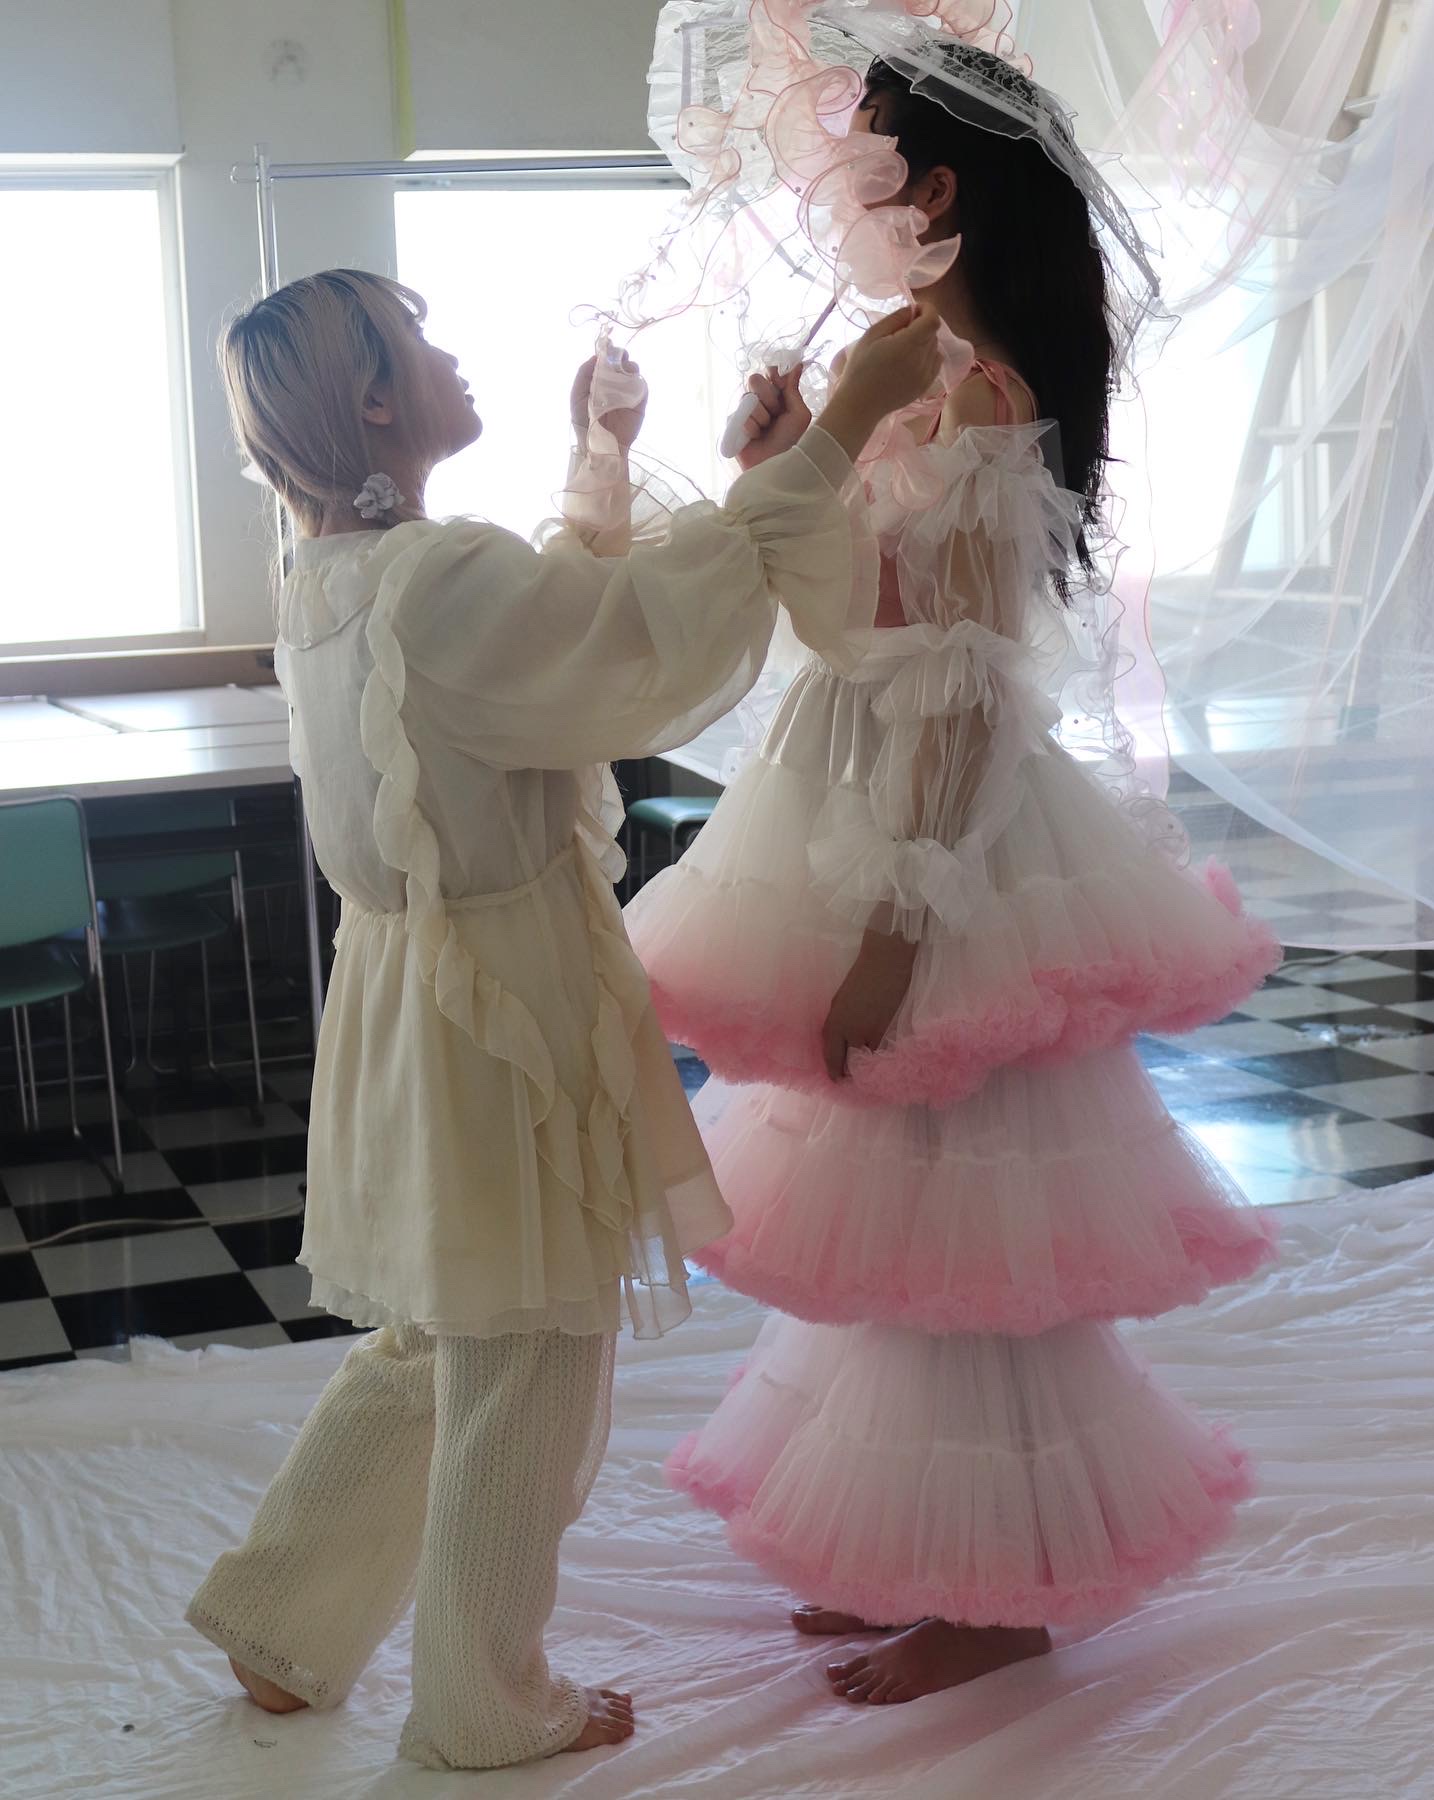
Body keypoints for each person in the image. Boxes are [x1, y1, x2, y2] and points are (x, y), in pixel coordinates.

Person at [183, 266, 942, 1766]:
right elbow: (631, 636)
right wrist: (840, 427)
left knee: (440, 1326)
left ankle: (284, 1621)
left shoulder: (332, 578)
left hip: (412, 990)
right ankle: (482, 1698)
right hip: (502, 1005)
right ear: (376, 400)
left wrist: (604, 453)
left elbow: (549, 637)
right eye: (421, 340)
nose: (450, 353)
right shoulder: (434, 582)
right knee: (528, 1348)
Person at [626, 39, 1280, 1705]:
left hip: (944, 837)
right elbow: (851, 613)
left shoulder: (982, 399)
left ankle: (1002, 1591)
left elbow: (971, 692)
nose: (832, 200)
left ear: (934, 188)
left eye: (860, 168)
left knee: (964, 1238)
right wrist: (789, 455)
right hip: (859, 797)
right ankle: (921, 1550)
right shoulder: (910, 374)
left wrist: (898, 934)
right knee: (896, 1237)